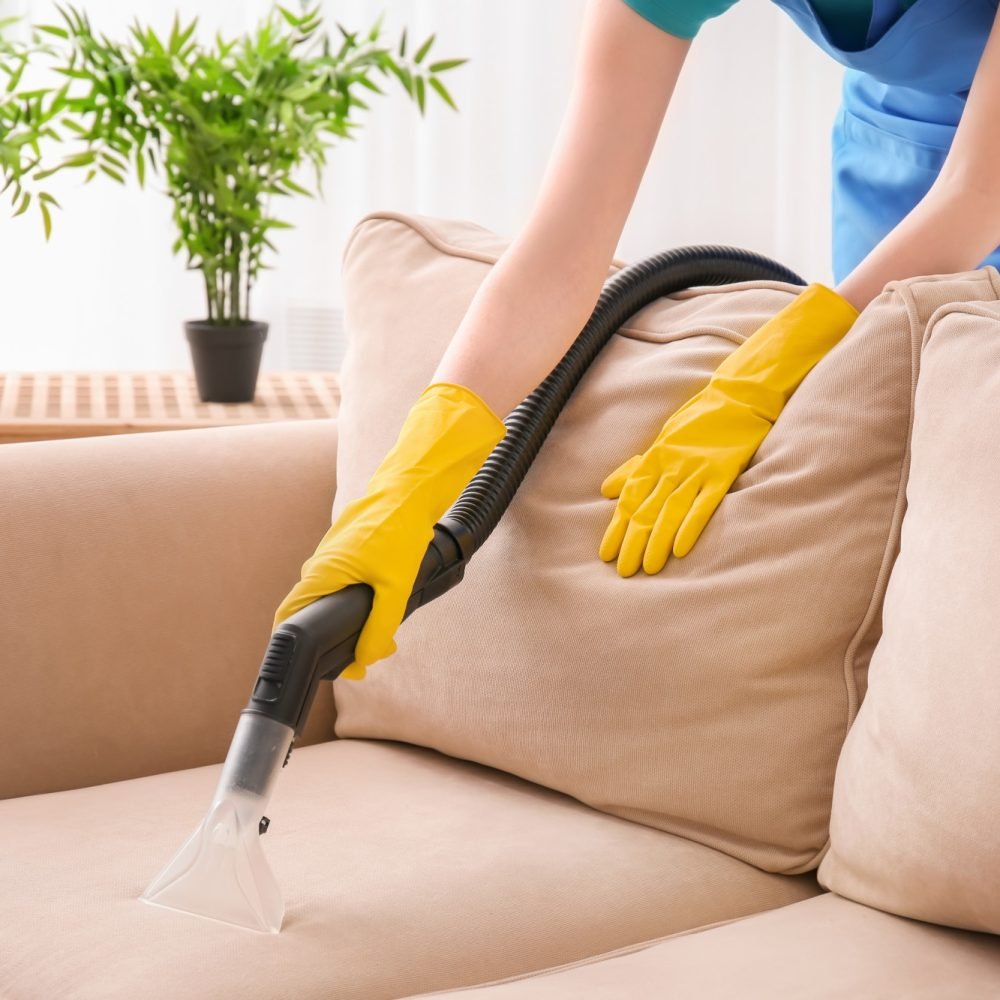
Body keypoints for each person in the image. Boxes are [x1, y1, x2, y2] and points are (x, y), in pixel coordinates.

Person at [274, 0, 1000, 679]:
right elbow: (563, 248)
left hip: (978, 178)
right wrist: (410, 482)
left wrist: (771, 369)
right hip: (898, 149)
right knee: (889, 458)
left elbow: (978, 193)